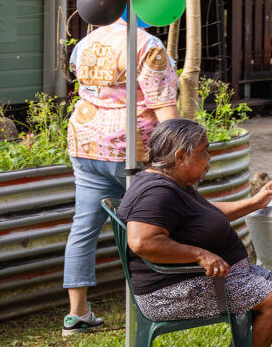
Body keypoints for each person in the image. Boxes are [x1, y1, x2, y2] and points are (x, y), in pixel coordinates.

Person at [117, 119, 272, 346]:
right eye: (203, 152)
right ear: (180, 157)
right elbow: (142, 242)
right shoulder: (157, 193)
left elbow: (204, 214)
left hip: (203, 279)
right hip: (170, 292)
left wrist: (255, 203)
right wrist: (199, 255)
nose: (209, 159)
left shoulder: (174, 182)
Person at [61, 18, 180, 335]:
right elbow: (166, 112)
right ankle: (166, 301)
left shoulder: (86, 43)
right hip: (132, 147)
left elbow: (83, 85)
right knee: (150, 224)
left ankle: (77, 314)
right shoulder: (147, 46)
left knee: (84, 226)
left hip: (84, 140)